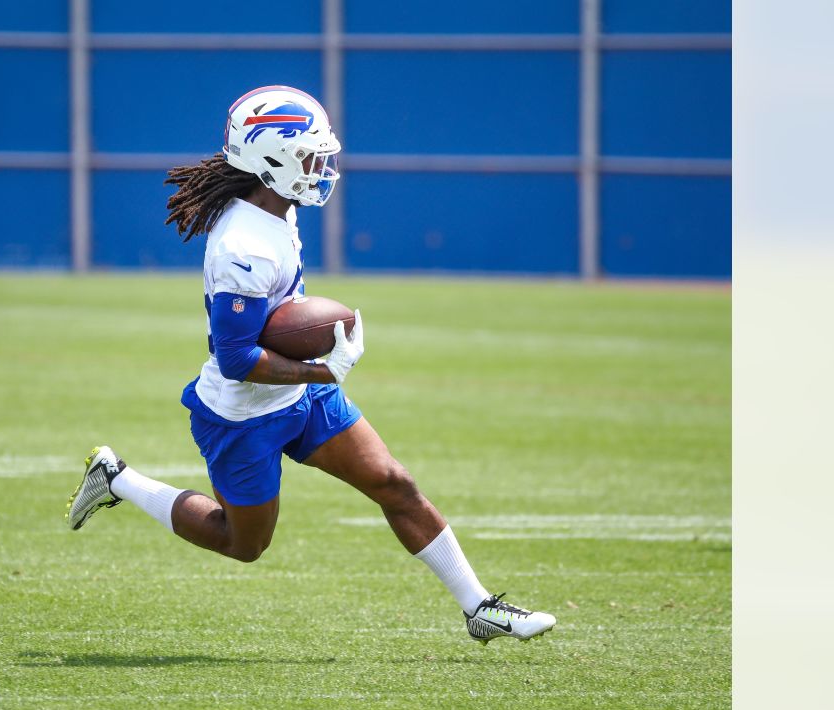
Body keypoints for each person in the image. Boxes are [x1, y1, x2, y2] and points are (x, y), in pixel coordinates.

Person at [66, 85, 555, 644]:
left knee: (395, 483)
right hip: (241, 413)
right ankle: (118, 479)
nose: (323, 167)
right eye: (309, 155)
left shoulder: (276, 206)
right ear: (269, 159)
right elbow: (235, 358)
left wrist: (313, 373)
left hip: (298, 396)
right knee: (243, 543)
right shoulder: (243, 246)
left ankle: (479, 607)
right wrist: (322, 370)